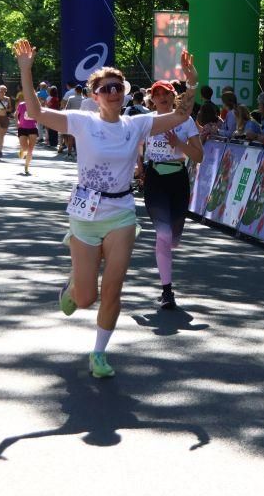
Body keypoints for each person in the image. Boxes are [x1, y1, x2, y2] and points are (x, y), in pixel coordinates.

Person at [13, 39, 198, 379]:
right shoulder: (82, 122)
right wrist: (26, 70)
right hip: (85, 215)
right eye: (106, 88)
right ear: (95, 95)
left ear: (124, 93)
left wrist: (191, 83)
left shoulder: (137, 124)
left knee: (113, 288)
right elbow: (36, 113)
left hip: (121, 213)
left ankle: (99, 353)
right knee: (86, 298)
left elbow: (181, 114)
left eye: (118, 87)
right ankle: (73, 287)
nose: (113, 92)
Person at [140, 80, 204, 309]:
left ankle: (170, 241)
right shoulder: (147, 121)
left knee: (173, 238)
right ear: (152, 99)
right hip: (154, 179)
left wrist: (178, 143)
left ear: (173, 96)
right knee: (163, 235)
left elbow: (199, 156)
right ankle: (167, 291)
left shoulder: (186, 121)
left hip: (178, 180)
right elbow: (136, 145)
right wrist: (138, 165)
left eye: (166, 93)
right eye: (157, 94)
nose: (162, 97)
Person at [14, 92, 39, 175]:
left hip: (33, 128)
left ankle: (26, 166)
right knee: (25, 148)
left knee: (30, 149)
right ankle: (22, 149)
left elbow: (40, 115)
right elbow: (16, 114)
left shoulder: (37, 106)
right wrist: (17, 122)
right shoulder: (21, 105)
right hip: (22, 128)